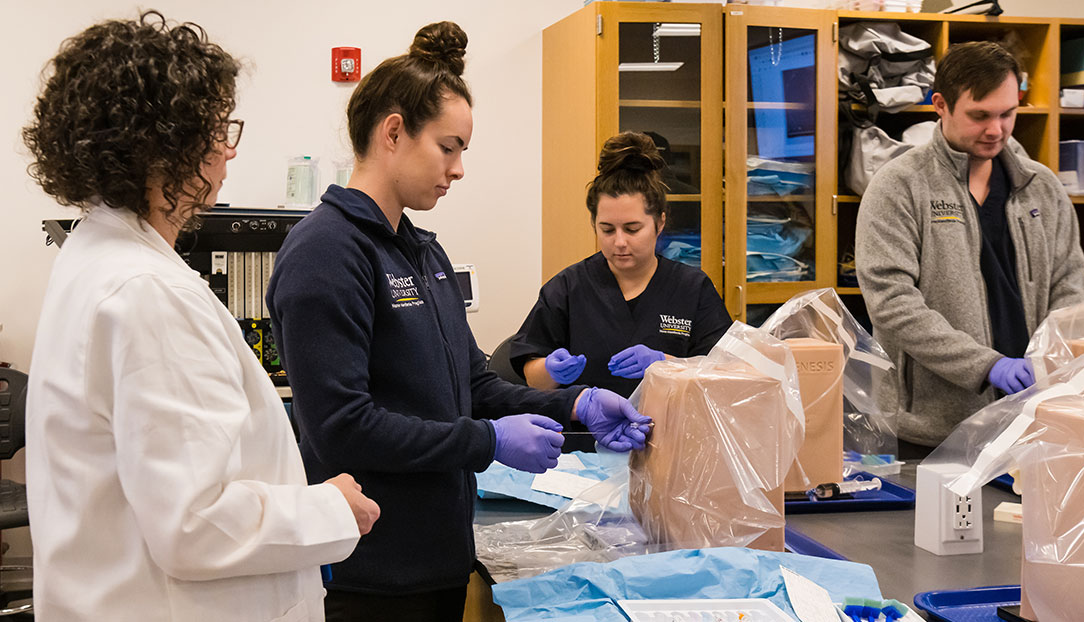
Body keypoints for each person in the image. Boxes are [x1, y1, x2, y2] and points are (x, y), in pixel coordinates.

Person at [265, 22, 651, 622]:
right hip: (370, 575)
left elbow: (473, 385)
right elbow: (343, 427)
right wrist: (489, 442)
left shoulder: (423, 251)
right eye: (449, 147)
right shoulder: (326, 253)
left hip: (439, 558)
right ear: (394, 132)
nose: (460, 168)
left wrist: (576, 404)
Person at [21, 11, 378, 622]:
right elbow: (195, 524)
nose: (228, 149)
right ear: (164, 147)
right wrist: (331, 507)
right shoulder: (148, 292)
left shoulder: (94, 255)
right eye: (216, 129)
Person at [856, 41, 1084, 458]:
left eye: (1007, 114)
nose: (996, 129)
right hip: (931, 430)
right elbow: (892, 302)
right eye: (980, 115)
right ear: (940, 105)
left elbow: (1069, 283)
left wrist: (1054, 361)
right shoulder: (900, 185)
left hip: (1032, 419)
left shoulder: (1043, 187)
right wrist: (987, 365)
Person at [508, 132, 732, 449]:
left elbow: (724, 374)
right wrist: (550, 368)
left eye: (632, 228)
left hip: (674, 447)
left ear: (660, 222)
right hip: (584, 447)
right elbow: (533, 378)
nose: (620, 242)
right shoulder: (568, 287)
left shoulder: (692, 288)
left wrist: (665, 362)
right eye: (607, 230)